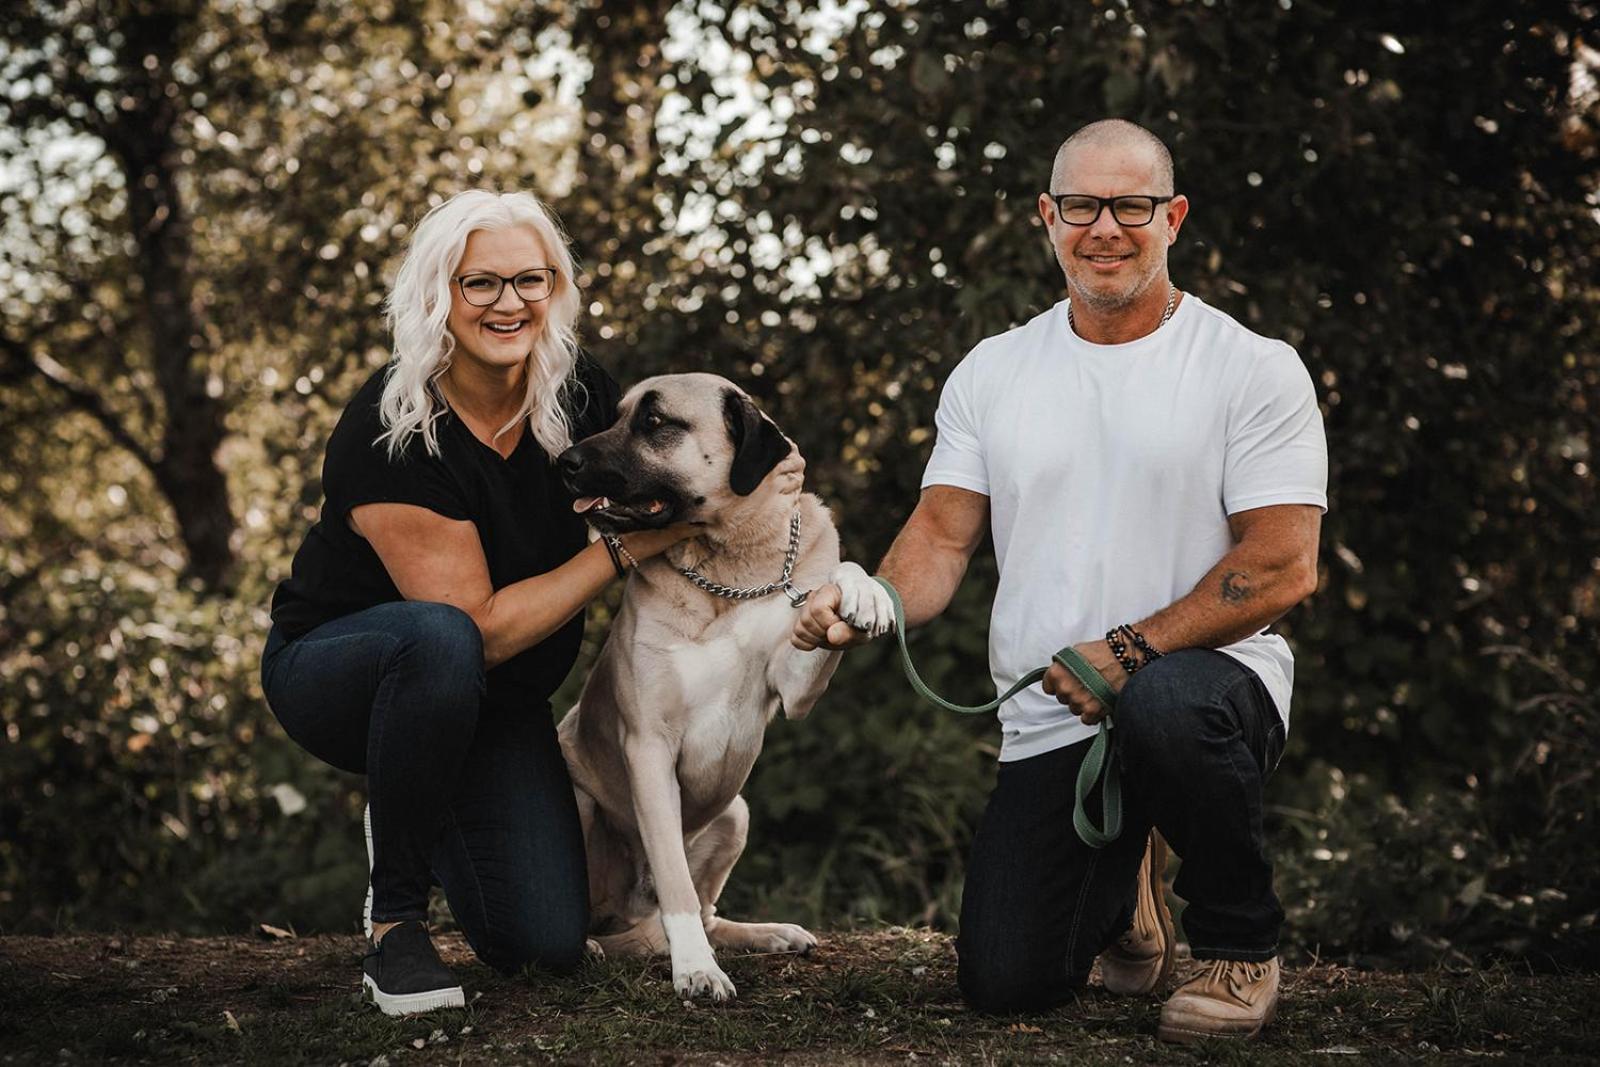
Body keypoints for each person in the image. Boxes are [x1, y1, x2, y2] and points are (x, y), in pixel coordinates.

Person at [792, 119, 1326, 1043]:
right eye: (1082, 205)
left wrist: (1127, 651)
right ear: (1048, 216)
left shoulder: (1252, 367)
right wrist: (867, 600)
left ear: (1174, 218)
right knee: (1007, 981)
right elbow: (942, 539)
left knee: (1163, 702)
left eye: (1132, 206)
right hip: (1053, 717)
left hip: (1208, 692)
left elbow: (1282, 563)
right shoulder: (994, 371)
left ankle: (1238, 947)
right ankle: (1129, 904)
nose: (1105, 228)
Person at [261, 190, 706, 1015]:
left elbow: (682, 476)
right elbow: (480, 629)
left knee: (542, 943)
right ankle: (395, 921)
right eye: (481, 284)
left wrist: (768, 485)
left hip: (497, 705)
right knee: (439, 639)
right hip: (349, 670)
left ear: (556, 288)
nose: (510, 303)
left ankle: (417, 796)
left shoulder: (578, 398)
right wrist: (619, 549)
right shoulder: (388, 430)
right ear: (440, 295)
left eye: (530, 280)